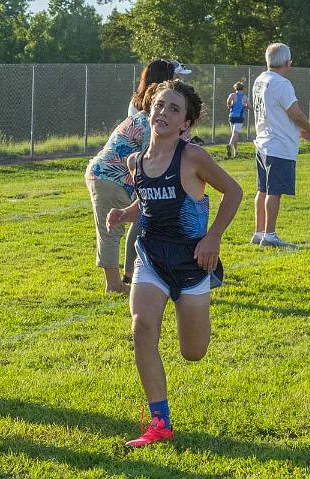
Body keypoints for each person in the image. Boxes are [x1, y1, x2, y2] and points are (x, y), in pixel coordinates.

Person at [107, 80, 243, 447]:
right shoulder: (137, 161)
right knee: (141, 329)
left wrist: (212, 237)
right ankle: (160, 421)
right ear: (149, 109)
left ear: (186, 123)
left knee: (192, 352)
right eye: (160, 105)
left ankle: (163, 412)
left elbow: (234, 192)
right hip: (150, 258)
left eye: (174, 109)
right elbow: (149, 204)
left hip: (192, 263)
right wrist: (125, 212)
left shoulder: (193, 157)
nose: (163, 113)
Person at [85, 84, 160, 293]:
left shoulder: (141, 119)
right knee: (112, 230)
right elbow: (149, 158)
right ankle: (115, 284)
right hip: (108, 177)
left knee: (141, 221)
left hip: (108, 177)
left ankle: (132, 274)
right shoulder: (147, 123)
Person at [251, 43, 310, 247]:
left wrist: (300, 132)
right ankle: (270, 235)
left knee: (262, 190)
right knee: (274, 192)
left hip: (264, 142)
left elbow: (275, 115)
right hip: (279, 146)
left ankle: (259, 232)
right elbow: (294, 113)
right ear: (287, 62)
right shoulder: (282, 83)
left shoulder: (260, 80)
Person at [226, 82, 249, 158]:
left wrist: (230, 105)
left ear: (235, 88)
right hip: (239, 117)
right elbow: (249, 106)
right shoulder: (245, 97)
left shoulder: (232, 95)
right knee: (235, 134)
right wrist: (245, 106)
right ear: (243, 88)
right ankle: (229, 145)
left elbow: (228, 103)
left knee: (234, 134)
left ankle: (235, 152)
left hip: (231, 117)